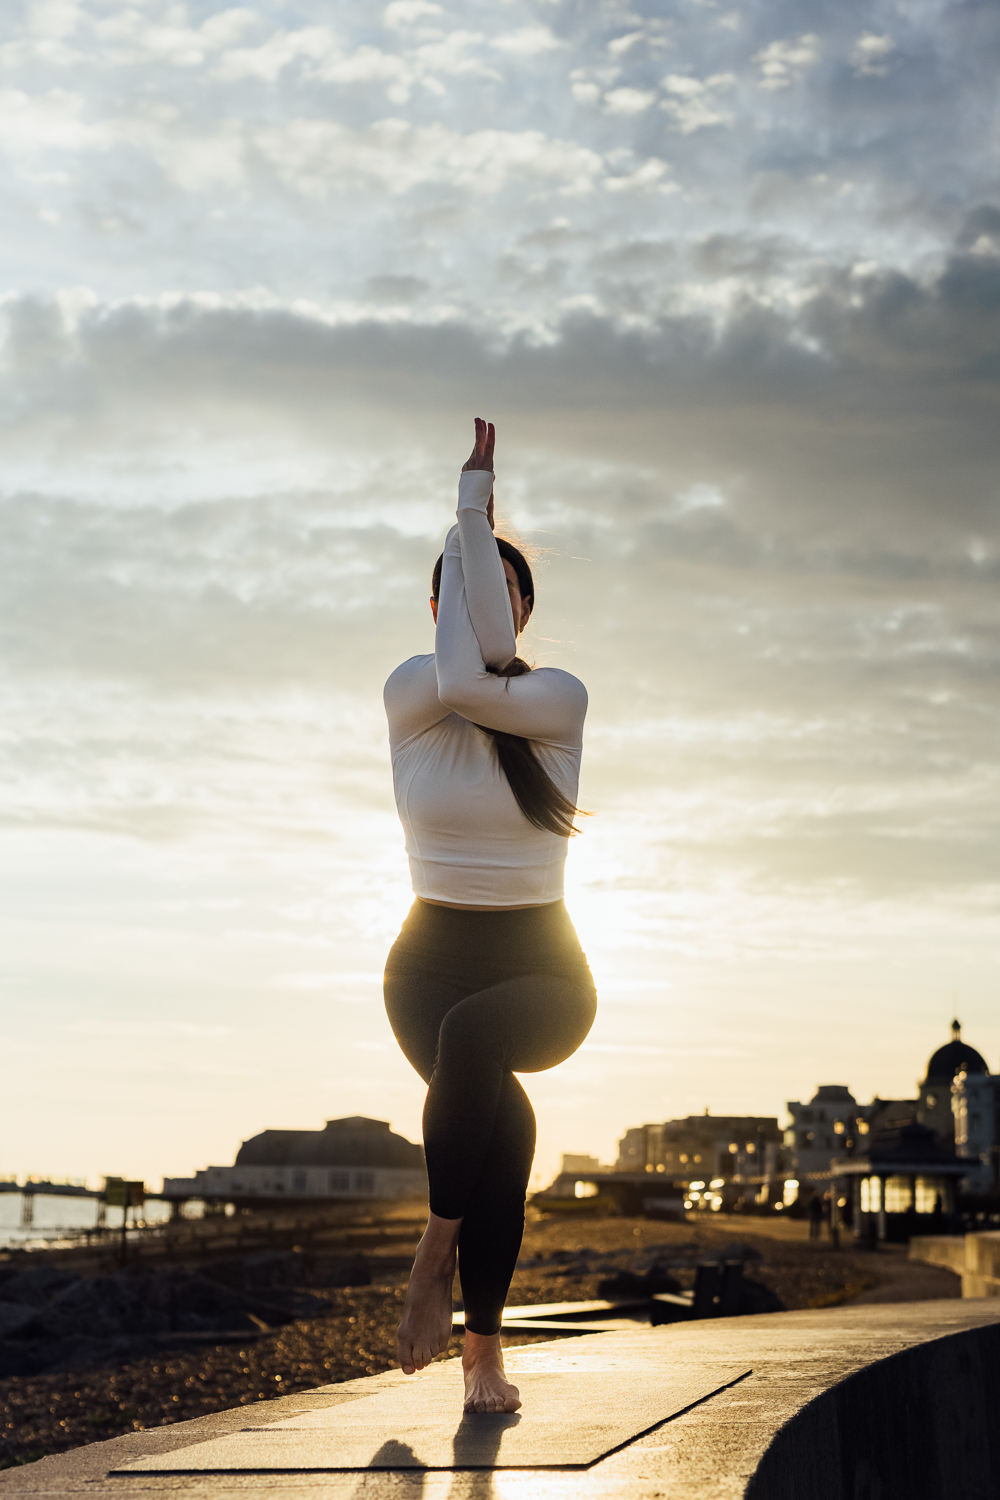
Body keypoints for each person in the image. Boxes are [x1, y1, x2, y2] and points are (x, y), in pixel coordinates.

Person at [382, 418, 597, 1414]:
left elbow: (489, 667)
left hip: (545, 970)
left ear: (523, 609)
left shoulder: (555, 699)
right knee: (503, 1130)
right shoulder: (412, 694)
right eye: (461, 592)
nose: (481, 607)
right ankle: (484, 1354)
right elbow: (463, 671)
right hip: (425, 959)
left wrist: (473, 508)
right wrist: (473, 520)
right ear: (435, 608)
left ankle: (432, 1258)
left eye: (502, 589)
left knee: (482, 1047)